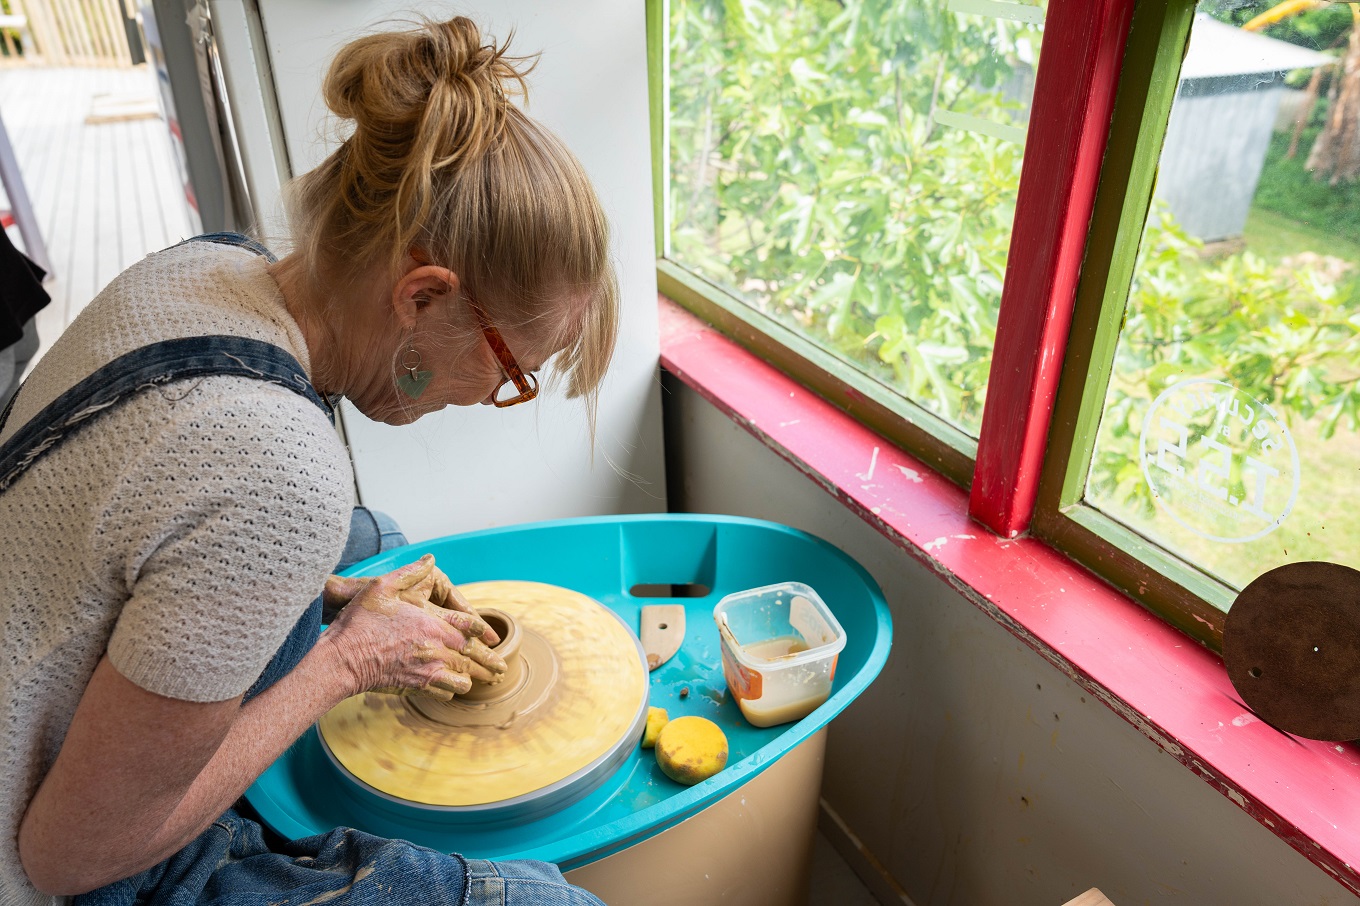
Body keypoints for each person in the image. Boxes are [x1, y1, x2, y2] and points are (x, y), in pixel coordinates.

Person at [0, 16, 616, 906]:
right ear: (423, 295)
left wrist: (327, 602)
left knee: (379, 543)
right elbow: (72, 856)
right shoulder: (277, 466)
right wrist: (347, 663)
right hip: (50, 866)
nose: (493, 398)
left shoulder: (218, 265)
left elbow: (162, 529)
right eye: (511, 370)